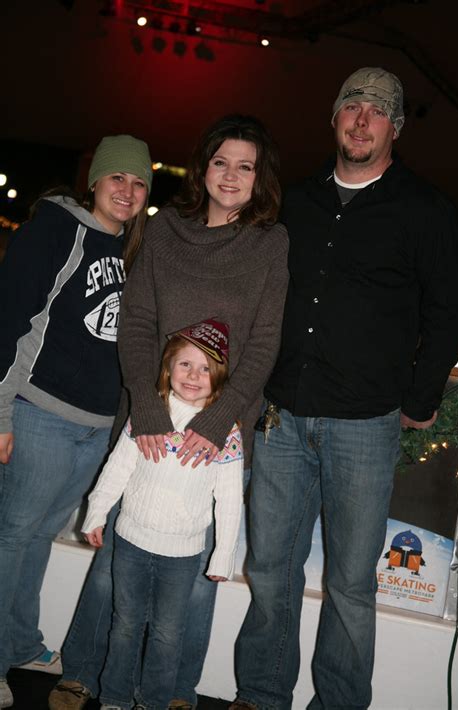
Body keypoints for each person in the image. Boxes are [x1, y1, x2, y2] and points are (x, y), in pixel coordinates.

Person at [230, 68, 458, 710]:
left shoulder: (426, 211)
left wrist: (419, 402)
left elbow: (447, 312)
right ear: (335, 117)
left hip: (365, 427)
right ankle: (260, 694)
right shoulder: (296, 202)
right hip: (282, 420)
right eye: (352, 107)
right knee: (271, 571)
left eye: (378, 112)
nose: (362, 120)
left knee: (351, 586)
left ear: (395, 128)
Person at [49, 114, 289, 710]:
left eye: (246, 165)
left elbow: (263, 344)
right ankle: (83, 669)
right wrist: (150, 406)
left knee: (200, 579)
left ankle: (177, 691)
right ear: (202, 167)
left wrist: (217, 420)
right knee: (113, 565)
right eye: (220, 162)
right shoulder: (164, 232)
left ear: (260, 178)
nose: (230, 176)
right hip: (148, 427)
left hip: (220, 437)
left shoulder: (270, 242)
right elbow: (135, 323)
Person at [0, 134, 152, 709]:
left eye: (139, 183)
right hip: (41, 413)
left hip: (95, 426)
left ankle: (18, 640)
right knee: (11, 537)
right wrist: (1, 413)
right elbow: (11, 318)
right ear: (95, 180)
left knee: (37, 536)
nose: (128, 191)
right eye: (118, 178)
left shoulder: (130, 250)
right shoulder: (56, 230)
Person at [82, 320, 243, 709]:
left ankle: (153, 702)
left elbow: (231, 498)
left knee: (168, 635)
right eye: (185, 364)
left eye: (206, 368)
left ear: (218, 378)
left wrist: (222, 555)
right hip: (132, 542)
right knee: (124, 625)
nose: (194, 375)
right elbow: (117, 467)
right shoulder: (148, 413)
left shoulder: (226, 431)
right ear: (168, 367)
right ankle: (115, 698)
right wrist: (96, 513)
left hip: (183, 555)